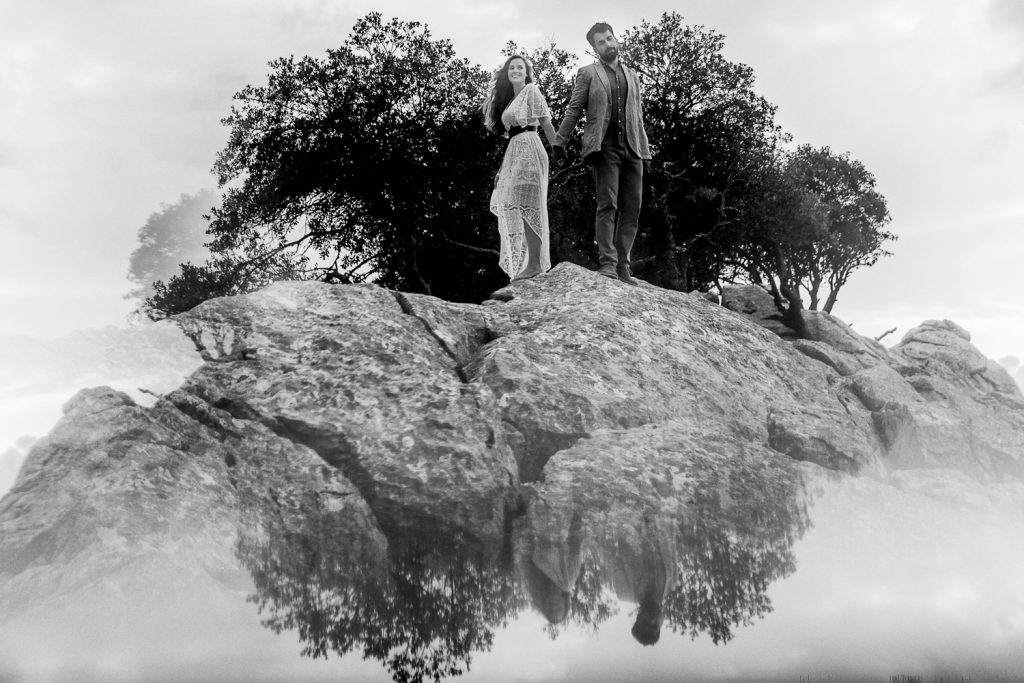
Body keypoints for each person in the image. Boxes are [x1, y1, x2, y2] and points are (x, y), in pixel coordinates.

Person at [551, 22, 651, 285]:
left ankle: (623, 266)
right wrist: (559, 141)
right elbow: (574, 109)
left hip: (633, 147)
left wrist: (643, 146)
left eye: (609, 39)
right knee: (608, 204)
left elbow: (637, 115)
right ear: (594, 48)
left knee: (633, 208)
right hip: (604, 146)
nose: (607, 44)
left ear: (616, 39)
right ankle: (608, 263)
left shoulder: (633, 76)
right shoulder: (587, 73)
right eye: (601, 42)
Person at [483, 55, 558, 281]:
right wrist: (501, 171)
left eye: (520, 67)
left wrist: (558, 150)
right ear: (507, 73)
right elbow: (512, 136)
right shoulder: (511, 99)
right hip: (515, 151)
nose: (515, 70)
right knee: (513, 202)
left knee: (528, 204)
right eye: (512, 67)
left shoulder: (531, 91)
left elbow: (545, 121)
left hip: (530, 147)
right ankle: (528, 261)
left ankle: (534, 263)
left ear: (527, 73)